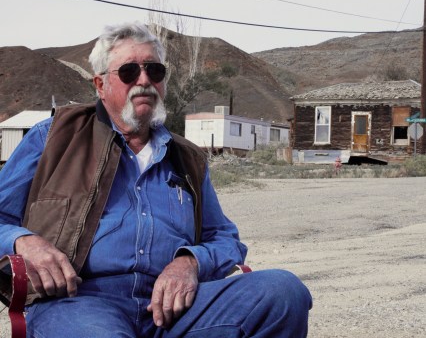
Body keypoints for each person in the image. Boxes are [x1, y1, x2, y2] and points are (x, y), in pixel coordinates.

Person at [0, 21, 312, 337]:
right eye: (129, 72)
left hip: (173, 307)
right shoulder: (53, 138)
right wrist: (24, 241)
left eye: (154, 71)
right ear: (100, 84)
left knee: (283, 292)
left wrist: (190, 263)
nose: (144, 80)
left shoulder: (187, 157)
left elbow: (224, 237)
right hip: (79, 302)